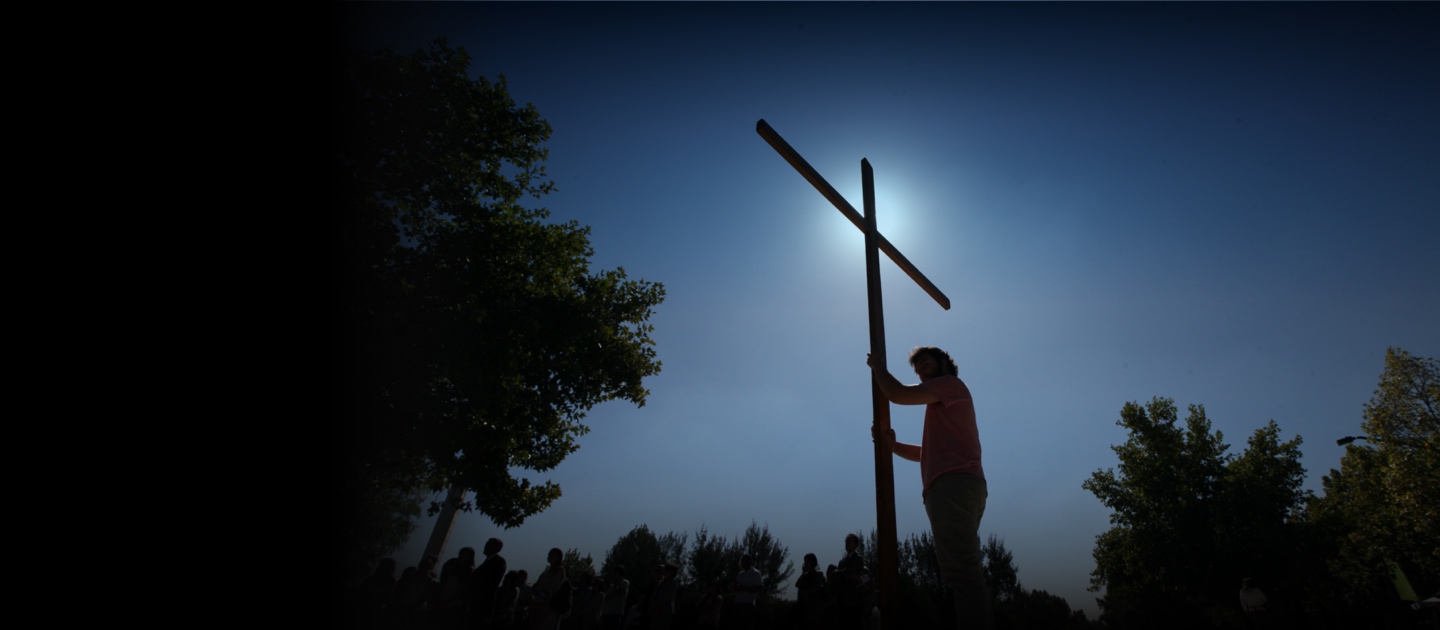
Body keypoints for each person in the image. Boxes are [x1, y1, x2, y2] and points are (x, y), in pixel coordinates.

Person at [870, 346, 993, 630]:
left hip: (954, 485)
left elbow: (897, 393)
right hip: (960, 484)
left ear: (944, 362)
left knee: (962, 573)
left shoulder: (950, 385)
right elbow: (928, 452)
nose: (922, 372)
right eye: (918, 369)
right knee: (966, 571)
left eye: (925, 364)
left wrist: (877, 366)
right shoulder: (945, 399)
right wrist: (893, 446)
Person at [471, 539, 507, 628]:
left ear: (496, 548)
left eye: (488, 545)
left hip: (482, 602)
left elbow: (491, 584)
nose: (485, 547)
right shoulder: (487, 562)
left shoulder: (498, 562)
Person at [794, 553, 828, 630]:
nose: (806, 564)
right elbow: (797, 584)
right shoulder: (805, 575)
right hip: (802, 607)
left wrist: (804, 593)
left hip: (812, 607)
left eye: (807, 562)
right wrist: (803, 573)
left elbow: (815, 588)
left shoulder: (818, 574)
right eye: (805, 562)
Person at [731, 554, 763, 629]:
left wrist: (743, 588)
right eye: (742, 561)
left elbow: (759, 588)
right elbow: (735, 587)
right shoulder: (740, 574)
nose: (742, 563)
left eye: (744, 561)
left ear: (750, 562)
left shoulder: (755, 573)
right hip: (738, 603)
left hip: (748, 604)